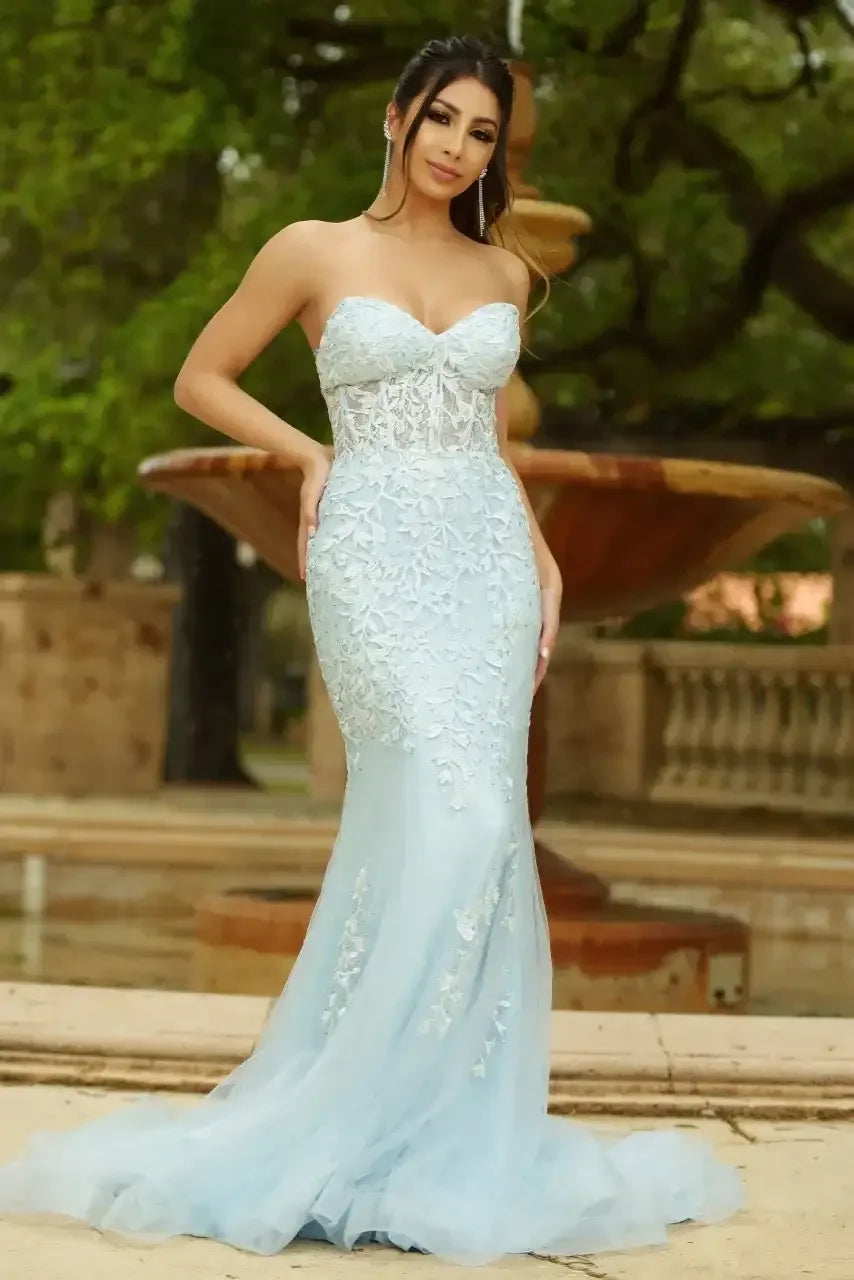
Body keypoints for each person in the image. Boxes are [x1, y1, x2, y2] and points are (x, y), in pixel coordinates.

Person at [0, 34, 744, 1267]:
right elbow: (201, 376)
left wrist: (544, 552)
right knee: (447, 814)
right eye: (441, 119)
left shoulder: (505, 272)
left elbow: (487, 438)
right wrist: (306, 454)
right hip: (371, 556)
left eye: (482, 133)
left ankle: (432, 1128)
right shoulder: (311, 247)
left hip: (489, 565)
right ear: (397, 116)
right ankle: (335, 1115)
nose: (457, 147)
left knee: (478, 831)